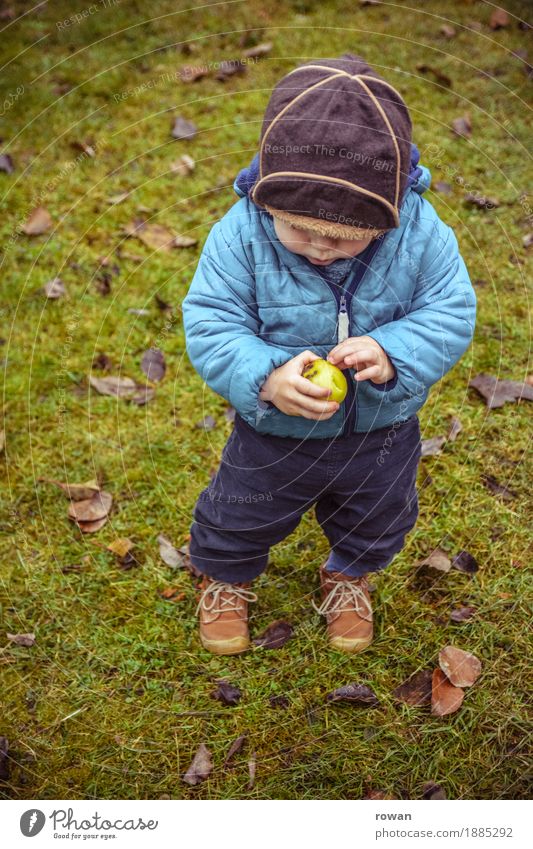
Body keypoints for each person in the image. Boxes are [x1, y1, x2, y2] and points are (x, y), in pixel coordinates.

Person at [181, 53, 476, 656]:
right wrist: (265, 376)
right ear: (267, 199)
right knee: (241, 510)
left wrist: (393, 350)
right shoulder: (239, 234)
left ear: (387, 214)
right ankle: (226, 578)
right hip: (273, 431)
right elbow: (213, 322)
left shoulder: (421, 235)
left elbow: (452, 311)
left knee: (378, 514)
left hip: (382, 428)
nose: (318, 248)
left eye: (341, 236)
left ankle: (348, 575)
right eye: (298, 229)